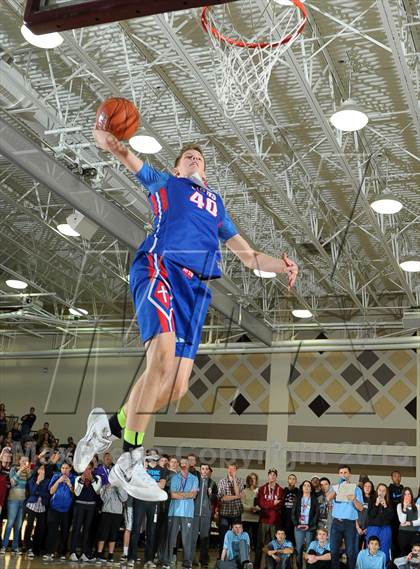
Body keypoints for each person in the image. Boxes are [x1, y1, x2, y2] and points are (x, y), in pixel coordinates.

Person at [74, 131, 298, 498]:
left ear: (205, 175)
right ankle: (130, 459)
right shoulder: (168, 185)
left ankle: (107, 426)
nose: (194, 158)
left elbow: (249, 256)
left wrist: (281, 265)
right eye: (188, 157)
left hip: (194, 290)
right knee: (159, 360)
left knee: (174, 387)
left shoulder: (217, 206)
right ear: (177, 169)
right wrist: (116, 147)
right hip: (161, 267)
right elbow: (134, 164)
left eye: (199, 158)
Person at [128, 449, 167, 568]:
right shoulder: (141, 468)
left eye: (154, 454)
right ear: (147, 456)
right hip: (140, 501)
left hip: (154, 503)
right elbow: (137, 483)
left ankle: (149, 559)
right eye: (149, 454)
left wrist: (148, 482)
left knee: (152, 531)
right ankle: (131, 558)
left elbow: (162, 485)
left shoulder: (162, 470)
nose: (152, 456)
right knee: (135, 529)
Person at [160, 457, 199, 569]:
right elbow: (173, 495)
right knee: (171, 538)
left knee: (187, 539)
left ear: (188, 465)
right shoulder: (174, 477)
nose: (183, 465)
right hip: (174, 512)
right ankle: (167, 562)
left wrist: (181, 494)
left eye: (185, 463)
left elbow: (193, 495)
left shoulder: (194, 478)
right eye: (181, 463)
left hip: (188, 513)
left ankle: (187, 563)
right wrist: (186, 495)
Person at [327, 465, 363, 569]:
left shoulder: (356, 489)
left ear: (350, 475)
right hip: (336, 523)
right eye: (341, 473)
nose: (343, 474)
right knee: (333, 551)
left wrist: (354, 499)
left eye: (345, 472)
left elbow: (360, 508)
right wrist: (338, 486)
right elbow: (328, 498)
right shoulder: (335, 487)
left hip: (350, 524)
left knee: (351, 552)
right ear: (339, 474)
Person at [70, 461, 102, 562]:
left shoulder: (97, 478)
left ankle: (85, 553)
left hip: (91, 507)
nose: (87, 471)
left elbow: (97, 491)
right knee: (77, 528)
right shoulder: (78, 478)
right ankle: (73, 552)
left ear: (92, 469)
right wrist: (82, 481)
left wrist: (92, 479)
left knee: (87, 530)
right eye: (85, 469)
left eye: (89, 469)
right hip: (79, 505)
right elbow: (77, 493)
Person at [43, 461, 75, 561]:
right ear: (60, 469)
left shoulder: (74, 478)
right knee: (52, 531)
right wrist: (58, 481)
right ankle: (49, 552)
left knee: (65, 532)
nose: (64, 470)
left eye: (66, 468)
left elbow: (76, 493)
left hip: (67, 510)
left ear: (70, 469)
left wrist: (69, 483)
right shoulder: (56, 476)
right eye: (63, 468)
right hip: (54, 508)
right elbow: (51, 491)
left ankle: (62, 552)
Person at [0, 456, 32, 555]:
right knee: (10, 523)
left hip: (23, 501)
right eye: (23, 461)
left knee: (18, 525)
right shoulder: (14, 469)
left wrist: (28, 472)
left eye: (26, 461)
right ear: (19, 461)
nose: (24, 462)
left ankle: (15, 547)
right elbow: (13, 483)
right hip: (13, 500)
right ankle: (4, 546)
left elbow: (29, 483)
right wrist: (20, 471)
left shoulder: (27, 472)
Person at [190, 463, 218, 568]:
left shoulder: (212, 483)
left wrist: (211, 495)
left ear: (209, 471)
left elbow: (215, 498)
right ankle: (191, 559)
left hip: (206, 514)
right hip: (194, 513)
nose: (205, 471)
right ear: (200, 470)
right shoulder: (195, 481)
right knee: (193, 538)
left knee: (205, 538)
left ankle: (204, 560)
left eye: (207, 469)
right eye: (203, 469)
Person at [255, 468, 284, 568]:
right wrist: (272, 503)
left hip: (275, 521)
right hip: (264, 519)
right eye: (270, 474)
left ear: (276, 476)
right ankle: (256, 566)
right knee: (259, 545)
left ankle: (273, 566)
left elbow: (280, 505)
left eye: (274, 475)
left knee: (274, 545)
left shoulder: (280, 490)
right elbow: (261, 503)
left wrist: (268, 505)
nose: (272, 476)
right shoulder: (262, 488)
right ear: (268, 476)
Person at [96, 480, 128, 564]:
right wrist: (109, 487)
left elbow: (124, 498)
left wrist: (119, 488)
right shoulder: (104, 487)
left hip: (117, 514)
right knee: (103, 534)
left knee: (113, 535)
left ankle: (110, 555)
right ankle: (99, 555)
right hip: (106, 512)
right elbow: (104, 499)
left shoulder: (122, 487)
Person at [23, 463, 51, 558]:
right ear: (37, 470)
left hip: (42, 506)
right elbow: (32, 492)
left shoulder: (47, 481)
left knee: (41, 528)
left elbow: (47, 494)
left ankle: (36, 548)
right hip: (32, 505)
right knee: (29, 525)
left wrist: (38, 492)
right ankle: (27, 548)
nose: (42, 471)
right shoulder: (32, 479)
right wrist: (38, 482)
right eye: (40, 469)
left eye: (43, 469)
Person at [292, 480, 319, 569]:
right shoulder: (298, 499)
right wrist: (296, 524)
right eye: (305, 485)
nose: (306, 487)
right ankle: (299, 566)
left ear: (311, 489)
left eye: (308, 486)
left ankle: (308, 566)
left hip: (310, 527)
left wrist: (310, 525)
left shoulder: (314, 500)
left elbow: (316, 514)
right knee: (299, 549)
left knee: (308, 548)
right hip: (299, 527)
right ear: (302, 488)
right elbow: (293, 513)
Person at [366, 483, 393, 563]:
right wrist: (376, 504)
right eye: (380, 490)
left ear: (386, 493)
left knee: (384, 548)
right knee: (371, 549)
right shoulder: (371, 500)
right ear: (377, 491)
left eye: (384, 491)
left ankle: (384, 565)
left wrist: (385, 505)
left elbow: (390, 517)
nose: (381, 492)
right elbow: (371, 515)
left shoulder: (389, 501)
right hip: (373, 528)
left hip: (385, 528)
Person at [397, 487, 420, 555]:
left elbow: (419, 521)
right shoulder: (399, 506)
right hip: (403, 533)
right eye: (405, 494)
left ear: (411, 495)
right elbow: (402, 521)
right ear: (403, 496)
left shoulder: (417, 506)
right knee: (404, 553)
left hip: (415, 534)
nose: (407, 496)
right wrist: (404, 508)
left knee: (415, 554)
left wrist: (410, 523)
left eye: (409, 494)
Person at [241, 473, 259, 551]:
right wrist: (250, 508)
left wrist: (257, 508)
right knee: (245, 537)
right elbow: (242, 504)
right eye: (251, 478)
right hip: (246, 518)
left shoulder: (259, 491)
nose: (252, 480)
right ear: (248, 480)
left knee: (256, 538)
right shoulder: (244, 491)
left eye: (254, 478)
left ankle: (255, 553)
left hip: (256, 518)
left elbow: (261, 503)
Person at [356, 480, 375, 548]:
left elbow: (375, 515)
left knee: (368, 549)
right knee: (356, 549)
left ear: (372, 488)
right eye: (365, 486)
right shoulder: (358, 498)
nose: (367, 488)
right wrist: (357, 527)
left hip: (369, 528)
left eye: (369, 486)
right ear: (363, 488)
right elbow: (353, 513)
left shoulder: (374, 500)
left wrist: (368, 528)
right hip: (358, 528)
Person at [390, 471, 404, 557]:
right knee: (394, 540)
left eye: (399, 476)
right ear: (391, 478)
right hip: (393, 519)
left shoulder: (403, 489)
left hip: (403, 520)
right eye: (395, 476)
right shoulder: (389, 489)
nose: (397, 478)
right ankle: (394, 560)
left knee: (401, 540)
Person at [282, 474, 299, 544]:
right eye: (290, 479)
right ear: (288, 480)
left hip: (294, 519)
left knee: (293, 538)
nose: (291, 481)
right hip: (285, 518)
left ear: (296, 481)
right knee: (285, 538)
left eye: (293, 479)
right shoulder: (284, 490)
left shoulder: (298, 491)